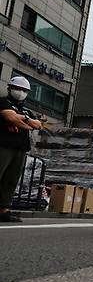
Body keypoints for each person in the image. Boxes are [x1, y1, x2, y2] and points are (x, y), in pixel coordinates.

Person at [0, 76, 44, 223]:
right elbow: (10, 117)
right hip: (3, 145)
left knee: (11, 179)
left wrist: (24, 119)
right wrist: (25, 120)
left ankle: (3, 209)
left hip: (20, 148)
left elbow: (37, 125)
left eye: (24, 90)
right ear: (9, 88)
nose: (20, 92)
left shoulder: (26, 109)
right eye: (17, 89)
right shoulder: (3, 102)